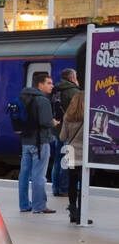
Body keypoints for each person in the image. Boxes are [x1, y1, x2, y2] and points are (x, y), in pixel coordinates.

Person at [18, 71, 58, 215]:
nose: (52, 86)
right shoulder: (43, 100)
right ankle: (39, 206)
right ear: (40, 84)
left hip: (26, 142)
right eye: (49, 83)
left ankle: (23, 205)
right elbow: (45, 122)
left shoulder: (23, 97)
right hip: (41, 142)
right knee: (39, 175)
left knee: (24, 174)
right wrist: (54, 122)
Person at [50, 69, 82, 197]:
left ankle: (56, 188)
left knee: (57, 160)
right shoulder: (74, 92)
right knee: (67, 160)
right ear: (72, 78)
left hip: (57, 130)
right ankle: (64, 189)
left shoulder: (55, 90)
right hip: (70, 131)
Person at [61, 92, 86, 224]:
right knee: (83, 185)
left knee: (72, 183)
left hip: (71, 152)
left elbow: (62, 137)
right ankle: (82, 214)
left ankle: (73, 213)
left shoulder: (67, 117)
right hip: (85, 155)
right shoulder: (88, 117)